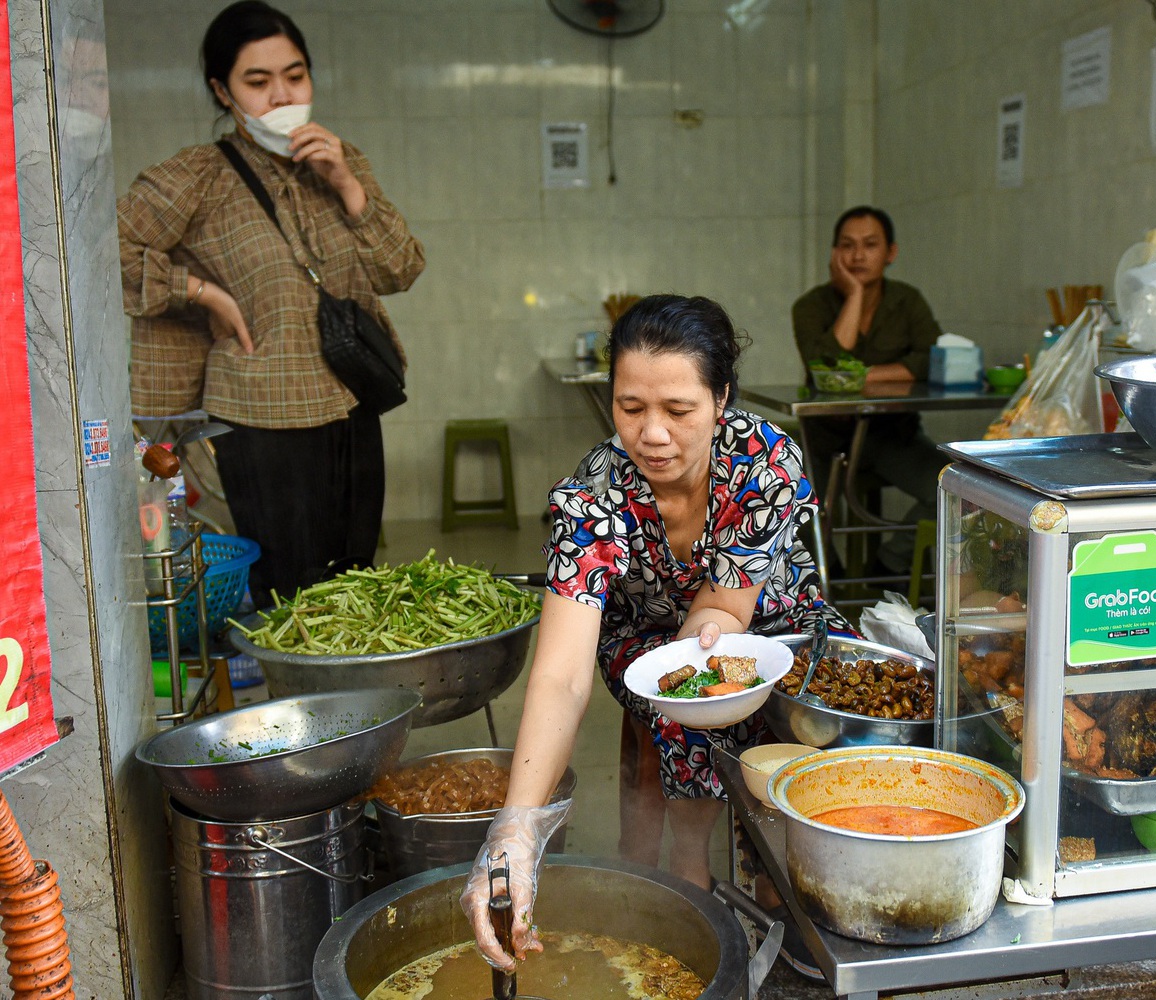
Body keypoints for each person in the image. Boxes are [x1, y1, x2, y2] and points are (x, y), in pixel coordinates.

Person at [461, 295, 850, 969]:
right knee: (680, 700)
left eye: (678, 410)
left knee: (837, 693)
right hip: (641, 635)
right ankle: (686, 883)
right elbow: (561, 672)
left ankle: (789, 873)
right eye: (630, 407)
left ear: (721, 397)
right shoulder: (591, 498)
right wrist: (515, 828)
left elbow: (726, 610)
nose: (653, 435)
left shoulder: (766, 464)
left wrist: (704, 635)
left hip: (771, 617)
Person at [118, 1, 424, 607]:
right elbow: (106, 250)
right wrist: (199, 293)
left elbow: (402, 267)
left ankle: (350, 700)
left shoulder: (343, 159)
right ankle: (295, 703)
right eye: (257, 82)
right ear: (222, 92)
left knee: (355, 580)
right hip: (262, 416)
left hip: (353, 400)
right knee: (288, 591)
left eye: (295, 75)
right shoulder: (201, 175)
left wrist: (346, 183)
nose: (282, 95)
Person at [791, 205, 948, 573]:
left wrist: (862, 376)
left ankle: (887, 567)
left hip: (894, 435)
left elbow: (934, 358)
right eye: (847, 245)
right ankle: (828, 586)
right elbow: (824, 371)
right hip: (825, 439)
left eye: (870, 244)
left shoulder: (907, 301)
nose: (858, 255)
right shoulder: (809, 307)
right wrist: (855, 295)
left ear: (890, 252)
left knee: (950, 488)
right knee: (792, 503)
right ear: (834, 254)